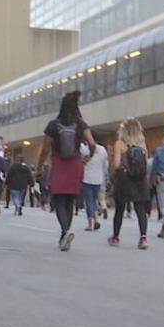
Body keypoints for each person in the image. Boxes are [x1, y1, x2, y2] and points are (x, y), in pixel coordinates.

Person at [38, 91, 97, 251]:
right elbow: (92, 144)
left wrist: (39, 166)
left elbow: (44, 149)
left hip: (59, 163)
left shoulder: (53, 125)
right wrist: (87, 159)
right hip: (76, 164)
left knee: (58, 201)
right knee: (70, 200)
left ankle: (65, 231)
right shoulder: (81, 125)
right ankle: (65, 234)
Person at [108, 119, 152, 249]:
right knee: (140, 209)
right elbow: (146, 162)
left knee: (120, 209)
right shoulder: (142, 144)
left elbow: (116, 165)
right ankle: (143, 238)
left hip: (124, 179)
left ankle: (115, 237)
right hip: (140, 179)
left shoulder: (120, 144)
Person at [82, 139, 108, 231]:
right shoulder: (102, 150)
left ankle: (91, 223)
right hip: (98, 178)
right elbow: (105, 165)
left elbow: (81, 163)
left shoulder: (84, 149)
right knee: (94, 199)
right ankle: (96, 219)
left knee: (88, 201)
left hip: (87, 178)